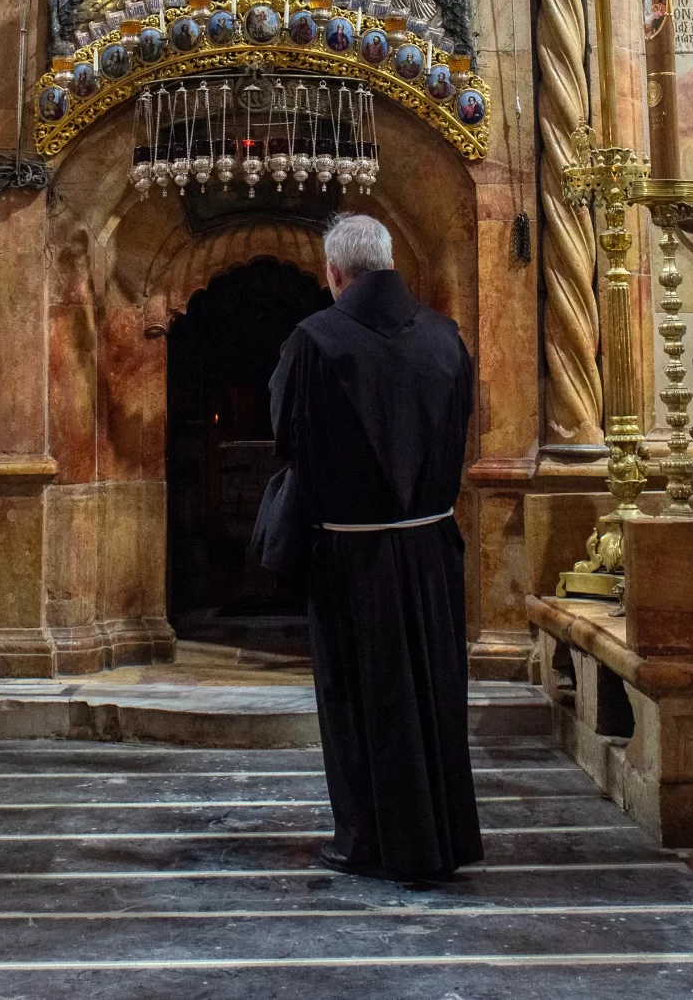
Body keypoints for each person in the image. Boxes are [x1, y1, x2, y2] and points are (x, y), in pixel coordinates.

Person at [268, 212, 482, 883]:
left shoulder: (314, 341)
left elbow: (289, 441)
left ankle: (369, 842)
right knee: (433, 693)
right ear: (390, 263)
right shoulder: (447, 338)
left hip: (352, 559)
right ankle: (440, 837)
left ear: (334, 274)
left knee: (362, 697)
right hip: (433, 549)